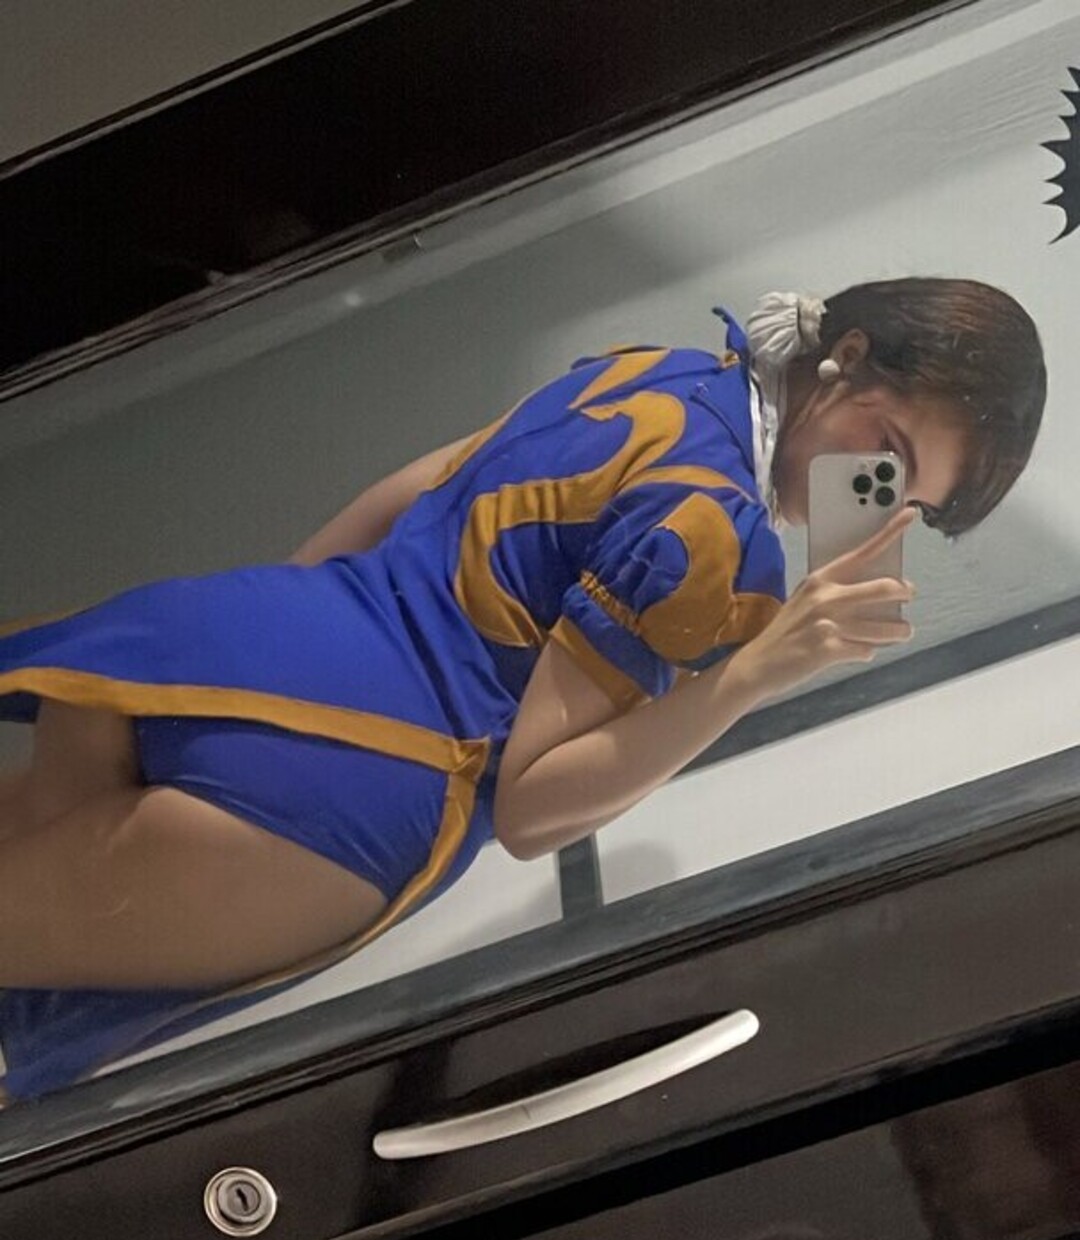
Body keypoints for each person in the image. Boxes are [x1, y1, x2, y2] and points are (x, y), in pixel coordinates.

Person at [0, 278, 1047, 1100]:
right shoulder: (719, 537)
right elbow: (533, 808)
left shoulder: (659, 373)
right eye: (887, 455)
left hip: (234, 637)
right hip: (367, 784)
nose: (872, 499)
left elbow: (406, 491)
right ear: (845, 358)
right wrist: (757, 671)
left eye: (905, 499)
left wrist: (279, 631)